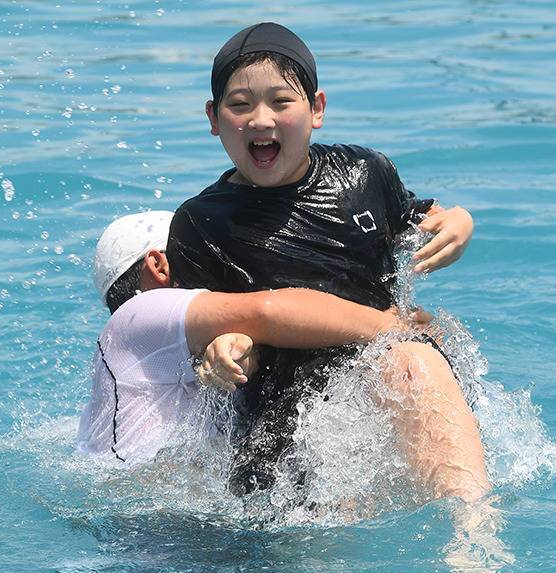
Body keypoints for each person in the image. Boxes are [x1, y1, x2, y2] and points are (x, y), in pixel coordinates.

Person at [165, 22, 476, 493]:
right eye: (240, 104)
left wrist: (460, 222)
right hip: (284, 427)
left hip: (389, 375)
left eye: (281, 101)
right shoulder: (201, 223)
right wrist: (225, 351)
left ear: (316, 109)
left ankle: (474, 523)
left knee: (415, 360)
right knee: (411, 358)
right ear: (214, 117)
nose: (261, 119)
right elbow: (204, 341)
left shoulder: (364, 174)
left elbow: (428, 218)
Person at [77, 211, 429, 463]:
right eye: (195, 257)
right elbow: (268, 311)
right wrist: (390, 324)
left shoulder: (153, 353)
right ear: (159, 265)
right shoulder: (139, 313)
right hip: (149, 522)